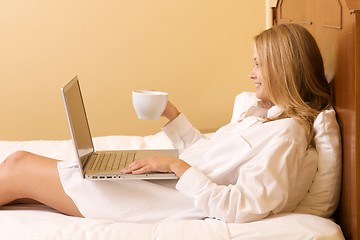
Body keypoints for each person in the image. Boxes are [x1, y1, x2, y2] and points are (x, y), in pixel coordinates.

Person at [0, 23, 332, 223]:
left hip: (157, 199)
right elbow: (209, 156)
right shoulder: (263, 117)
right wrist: (172, 115)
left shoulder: (286, 134)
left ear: (284, 68)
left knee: (18, 164)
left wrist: (177, 167)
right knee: (24, 176)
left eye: (259, 65)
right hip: (157, 185)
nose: (251, 73)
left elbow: (242, 206)